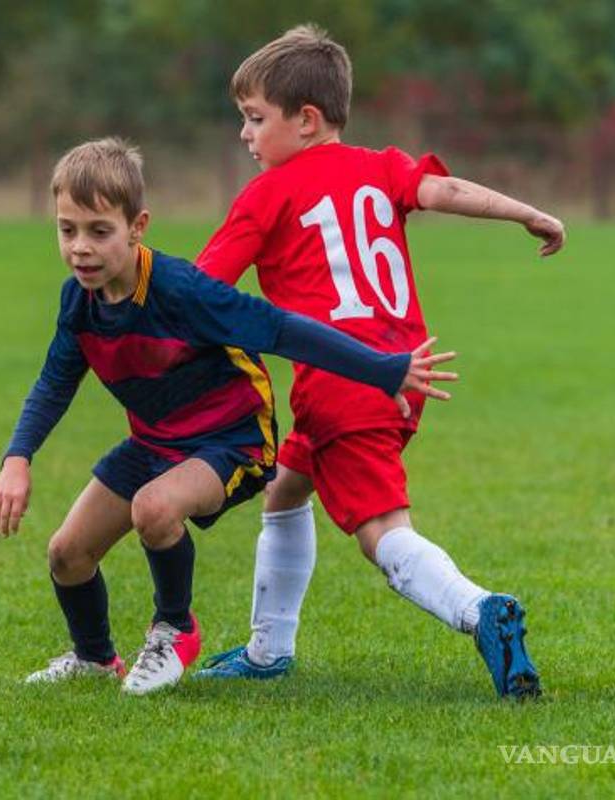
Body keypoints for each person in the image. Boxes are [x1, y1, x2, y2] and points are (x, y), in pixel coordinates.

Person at [0, 137, 457, 695]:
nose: (80, 248)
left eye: (99, 231)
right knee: (67, 554)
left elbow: (282, 330)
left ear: (137, 227)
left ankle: (174, 629)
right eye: (68, 230)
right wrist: (17, 459)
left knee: (154, 507)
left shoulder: (181, 290)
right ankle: (94, 658)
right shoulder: (79, 303)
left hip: (233, 440)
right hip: (156, 442)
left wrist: (384, 368)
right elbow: (54, 383)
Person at [192, 25, 564, 698]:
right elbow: (446, 191)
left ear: (306, 120)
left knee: (383, 532)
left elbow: (200, 290)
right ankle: (269, 650)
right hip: (404, 369)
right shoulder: (382, 166)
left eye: (255, 118)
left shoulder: (267, 195)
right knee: (286, 488)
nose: (245, 134)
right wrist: (526, 213)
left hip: (342, 382)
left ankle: (480, 609)